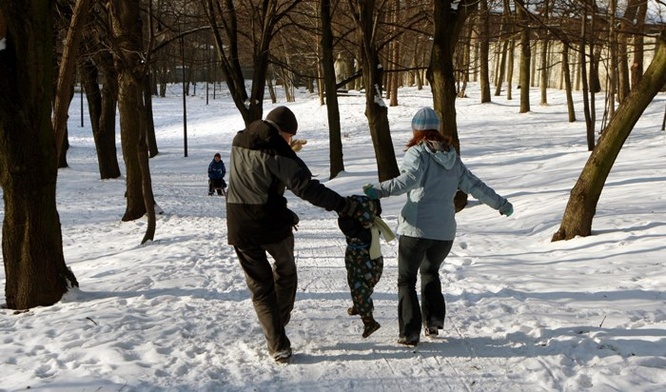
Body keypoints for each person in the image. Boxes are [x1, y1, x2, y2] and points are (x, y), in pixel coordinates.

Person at [226, 106, 371, 363]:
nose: (290, 142)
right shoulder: (278, 149)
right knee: (286, 272)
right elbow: (306, 187)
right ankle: (278, 326)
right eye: (290, 137)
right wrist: (343, 205)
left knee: (260, 288)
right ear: (284, 133)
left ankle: (277, 342)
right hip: (270, 225)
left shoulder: (240, 138)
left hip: (239, 225)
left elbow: (258, 178)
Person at [362, 107, 513, 347]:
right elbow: (475, 185)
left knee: (406, 280)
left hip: (416, 230)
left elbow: (408, 181)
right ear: (437, 129)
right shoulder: (451, 155)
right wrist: (501, 204)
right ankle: (432, 322)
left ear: (416, 130)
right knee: (430, 272)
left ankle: (409, 333)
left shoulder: (417, 153)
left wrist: (377, 190)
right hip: (444, 234)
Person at [338, 195, 394, 339]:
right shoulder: (375, 225)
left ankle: (369, 321)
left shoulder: (356, 231)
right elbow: (377, 210)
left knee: (358, 287)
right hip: (374, 261)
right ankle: (359, 305)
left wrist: (344, 210)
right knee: (363, 285)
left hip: (357, 260)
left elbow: (345, 224)